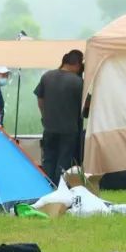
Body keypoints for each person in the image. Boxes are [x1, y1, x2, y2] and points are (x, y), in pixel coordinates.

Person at [34, 50, 85, 181]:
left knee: (48, 160)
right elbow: (86, 106)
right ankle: (60, 190)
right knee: (64, 162)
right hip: (69, 130)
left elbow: (40, 100)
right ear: (77, 64)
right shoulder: (78, 82)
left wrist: (45, 116)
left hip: (49, 127)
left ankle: (46, 188)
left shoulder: (47, 76)